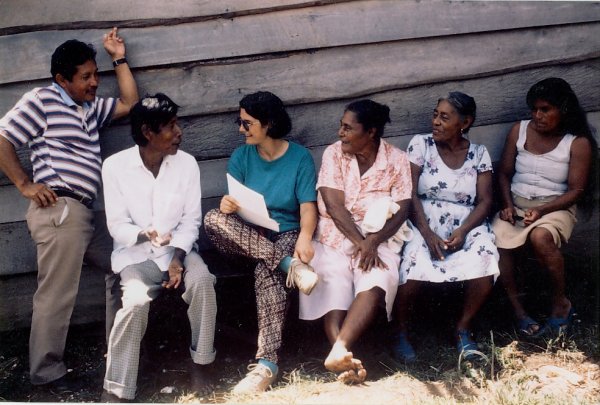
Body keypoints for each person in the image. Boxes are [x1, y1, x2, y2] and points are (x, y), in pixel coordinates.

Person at [0, 28, 138, 390]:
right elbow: (3, 138)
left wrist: (118, 57)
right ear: (62, 79)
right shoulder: (42, 99)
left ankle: (117, 352)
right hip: (59, 209)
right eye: (86, 77)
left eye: (96, 74)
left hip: (85, 214)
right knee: (56, 293)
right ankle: (46, 376)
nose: (95, 82)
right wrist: (24, 184)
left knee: (121, 268)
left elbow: (129, 103)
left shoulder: (90, 108)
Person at [100, 94, 217, 402]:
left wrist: (178, 258)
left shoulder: (186, 164)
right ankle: (117, 389)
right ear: (147, 132)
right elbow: (116, 225)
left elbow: (192, 221)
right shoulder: (115, 167)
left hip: (177, 252)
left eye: (177, 124)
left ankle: (201, 364)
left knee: (203, 281)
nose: (179, 132)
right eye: (170, 126)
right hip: (136, 257)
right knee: (136, 303)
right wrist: (143, 233)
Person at [203, 91, 318, 394]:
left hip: (286, 233)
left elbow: (308, 206)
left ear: (268, 123)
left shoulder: (300, 158)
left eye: (247, 123)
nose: (241, 129)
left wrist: (305, 238)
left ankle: (266, 365)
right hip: (245, 237)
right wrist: (229, 205)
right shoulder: (241, 156)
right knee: (214, 218)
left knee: (266, 271)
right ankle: (289, 265)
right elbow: (233, 203)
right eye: (240, 123)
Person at [299, 99, 412, 384]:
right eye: (341, 126)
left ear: (371, 131)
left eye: (348, 128)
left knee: (378, 276)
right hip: (335, 235)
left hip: (379, 237)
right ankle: (343, 357)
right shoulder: (334, 155)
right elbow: (334, 206)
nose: (341, 133)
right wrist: (363, 243)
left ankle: (339, 350)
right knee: (332, 275)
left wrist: (373, 242)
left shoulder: (396, 160)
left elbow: (404, 207)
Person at [393, 92, 499, 362]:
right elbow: (410, 193)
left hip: (466, 223)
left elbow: (485, 201)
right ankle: (402, 332)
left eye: (444, 117)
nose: (436, 122)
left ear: (465, 122)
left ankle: (463, 327)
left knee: (485, 254)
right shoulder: (421, 145)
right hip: (422, 220)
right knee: (414, 258)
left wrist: (463, 231)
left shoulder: (478, 153)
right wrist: (427, 234)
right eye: (435, 114)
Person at [492, 78, 597, 337]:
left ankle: (560, 304)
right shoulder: (520, 130)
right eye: (534, 110)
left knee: (541, 237)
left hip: (555, 209)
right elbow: (504, 173)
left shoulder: (576, 142)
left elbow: (576, 191)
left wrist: (543, 211)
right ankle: (519, 312)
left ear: (563, 109)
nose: (537, 116)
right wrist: (506, 204)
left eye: (545, 109)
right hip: (515, 205)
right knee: (495, 239)